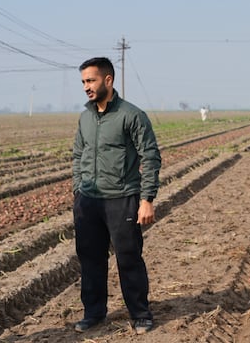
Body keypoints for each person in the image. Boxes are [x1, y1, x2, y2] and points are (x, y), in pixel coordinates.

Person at [72, 57, 162, 335]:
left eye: (91, 80)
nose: (86, 87)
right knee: (90, 259)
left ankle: (140, 314)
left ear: (108, 80)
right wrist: (78, 190)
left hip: (122, 198)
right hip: (89, 200)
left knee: (128, 258)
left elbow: (151, 156)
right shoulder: (85, 117)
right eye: (84, 82)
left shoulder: (131, 115)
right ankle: (94, 313)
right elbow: (78, 154)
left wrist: (146, 199)